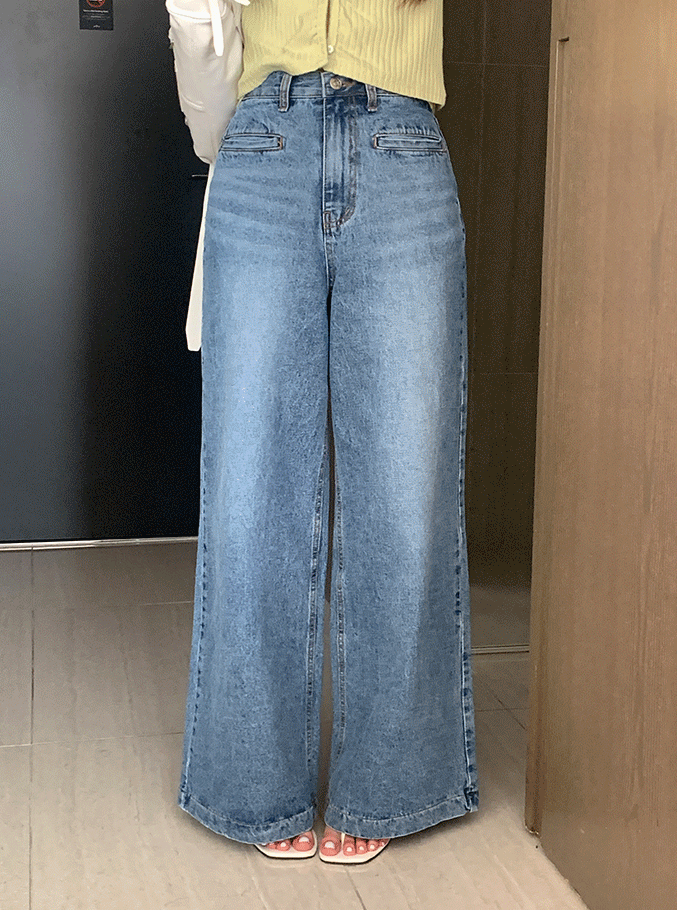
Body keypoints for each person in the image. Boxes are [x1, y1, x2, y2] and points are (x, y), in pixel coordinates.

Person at [166, 0, 479, 865]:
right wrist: (216, 128)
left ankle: (391, 780)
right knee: (250, 481)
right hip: (265, 136)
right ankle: (252, 782)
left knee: (406, 481)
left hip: (401, 136)